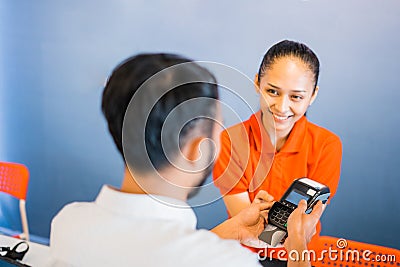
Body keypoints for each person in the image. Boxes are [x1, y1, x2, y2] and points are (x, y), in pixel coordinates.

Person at [48, 53, 324, 267]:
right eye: (219, 126)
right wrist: (298, 245)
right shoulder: (228, 262)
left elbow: (161, 250)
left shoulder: (68, 222)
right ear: (196, 149)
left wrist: (231, 232)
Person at [212, 40, 342, 263]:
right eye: (272, 91)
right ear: (257, 83)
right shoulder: (230, 142)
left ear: (312, 95)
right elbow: (247, 226)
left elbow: (304, 228)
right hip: (243, 257)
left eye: (296, 97)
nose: (282, 108)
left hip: (300, 255)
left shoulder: (327, 145)